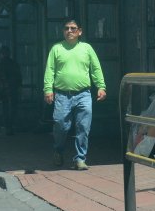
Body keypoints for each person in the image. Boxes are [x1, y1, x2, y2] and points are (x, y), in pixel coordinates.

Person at [43, 18, 107, 170]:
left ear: (80, 31)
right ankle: (58, 150)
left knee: (83, 127)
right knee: (61, 125)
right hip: (62, 95)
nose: (69, 31)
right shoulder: (56, 48)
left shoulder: (87, 48)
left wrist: (101, 86)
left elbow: (95, 68)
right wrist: (48, 89)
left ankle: (80, 159)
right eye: (66, 28)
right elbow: (50, 70)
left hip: (83, 94)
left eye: (73, 28)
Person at [0, 46, 22, 135]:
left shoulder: (0, 64)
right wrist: (19, 87)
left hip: (4, 89)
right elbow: (19, 77)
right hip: (13, 88)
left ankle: (7, 126)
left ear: (1, 54)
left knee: (5, 108)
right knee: (13, 107)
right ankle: (11, 126)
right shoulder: (14, 63)